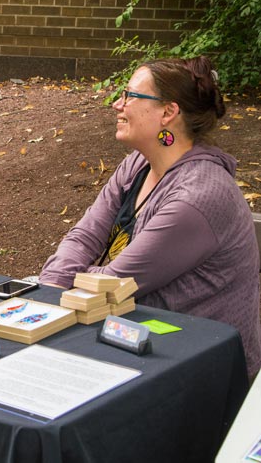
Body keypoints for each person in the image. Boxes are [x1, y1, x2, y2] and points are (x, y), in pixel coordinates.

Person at [39, 56, 260, 377]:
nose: (117, 104)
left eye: (131, 96)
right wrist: (49, 292)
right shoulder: (137, 165)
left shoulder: (199, 196)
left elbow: (114, 284)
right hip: (137, 344)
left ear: (168, 112)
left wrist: (61, 289)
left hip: (201, 371)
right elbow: (84, 236)